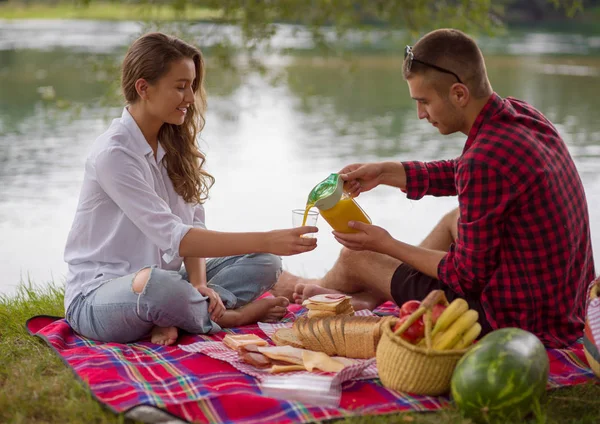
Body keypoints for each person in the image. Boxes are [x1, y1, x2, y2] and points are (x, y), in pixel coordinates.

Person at [272, 28, 596, 348]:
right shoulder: (523, 116)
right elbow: (464, 172)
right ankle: (366, 294)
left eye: (424, 101)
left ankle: (311, 289)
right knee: (453, 218)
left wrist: (388, 245)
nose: (420, 114)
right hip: (562, 308)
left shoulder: (482, 161)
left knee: (357, 256)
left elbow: (465, 276)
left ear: (458, 94)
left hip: (513, 321)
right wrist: (388, 172)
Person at [63, 32, 318, 346]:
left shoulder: (173, 144)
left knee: (265, 261)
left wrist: (199, 283)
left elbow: (192, 227)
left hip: (169, 281)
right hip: (100, 296)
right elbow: (176, 237)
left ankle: (185, 312)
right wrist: (270, 237)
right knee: (156, 287)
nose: (190, 98)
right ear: (144, 88)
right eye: (180, 87)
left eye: (192, 86)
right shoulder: (114, 155)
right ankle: (230, 316)